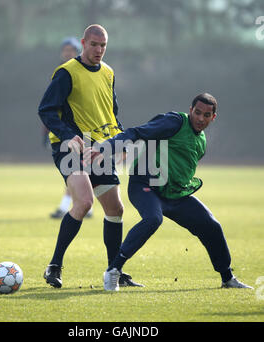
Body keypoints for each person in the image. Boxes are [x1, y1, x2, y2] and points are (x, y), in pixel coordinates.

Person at [85, 93, 253, 291]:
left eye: (206, 115)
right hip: (145, 187)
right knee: (153, 219)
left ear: (213, 117)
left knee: (212, 226)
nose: (200, 118)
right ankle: (113, 271)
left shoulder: (201, 141)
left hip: (174, 195)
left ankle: (228, 278)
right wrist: (107, 147)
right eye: (197, 112)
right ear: (190, 110)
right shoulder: (174, 122)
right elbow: (137, 132)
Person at [38, 24, 142, 288]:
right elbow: (46, 110)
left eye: (103, 45)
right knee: (83, 203)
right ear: (84, 43)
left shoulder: (108, 73)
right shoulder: (66, 73)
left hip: (99, 147)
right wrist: (66, 135)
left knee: (116, 210)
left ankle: (114, 271)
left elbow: (111, 111)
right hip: (71, 146)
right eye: (94, 44)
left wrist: (120, 141)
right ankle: (54, 266)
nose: (99, 50)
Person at [42, 37, 94, 219]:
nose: (68, 53)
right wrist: (48, 130)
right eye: (65, 50)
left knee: (78, 168)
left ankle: (67, 207)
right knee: (78, 170)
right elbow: (49, 108)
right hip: (67, 133)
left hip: (83, 130)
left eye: (71, 50)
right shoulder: (61, 73)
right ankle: (84, 205)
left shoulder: (85, 72)